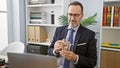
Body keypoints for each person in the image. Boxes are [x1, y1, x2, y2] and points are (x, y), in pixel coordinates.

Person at [48, 1, 97, 68]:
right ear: (67, 15)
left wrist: (75, 58)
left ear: (82, 15)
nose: (72, 18)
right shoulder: (58, 30)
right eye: (70, 14)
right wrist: (55, 51)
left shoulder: (89, 34)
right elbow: (49, 50)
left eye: (76, 15)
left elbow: (93, 61)